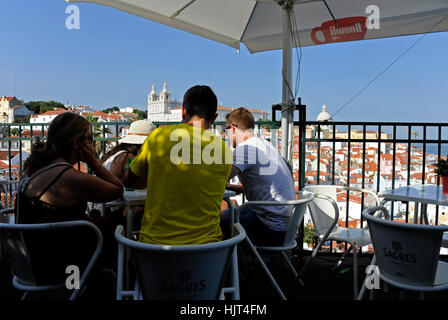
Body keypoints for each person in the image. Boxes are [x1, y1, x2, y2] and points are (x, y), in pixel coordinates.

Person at [15, 111, 124, 287]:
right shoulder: (66, 177)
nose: (92, 144)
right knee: (122, 222)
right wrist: (93, 162)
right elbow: (118, 190)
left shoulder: (33, 166)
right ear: (77, 142)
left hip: (31, 262)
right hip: (59, 269)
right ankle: (113, 284)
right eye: (90, 138)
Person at [123, 85, 233, 245]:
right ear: (215, 118)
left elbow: (129, 181)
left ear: (182, 111)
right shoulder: (224, 149)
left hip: (154, 250)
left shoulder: (159, 136)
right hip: (208, 255)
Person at [222, 107, 296, 246]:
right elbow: (263, 185)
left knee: (219, 222)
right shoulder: (265, 145)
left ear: (232, 128)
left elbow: (219, 179)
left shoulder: (245, 149)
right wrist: (236, 188)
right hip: (287, 227)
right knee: (232, 213)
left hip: (269, 228)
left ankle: (229, 266)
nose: (226, 135)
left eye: (226, 130)